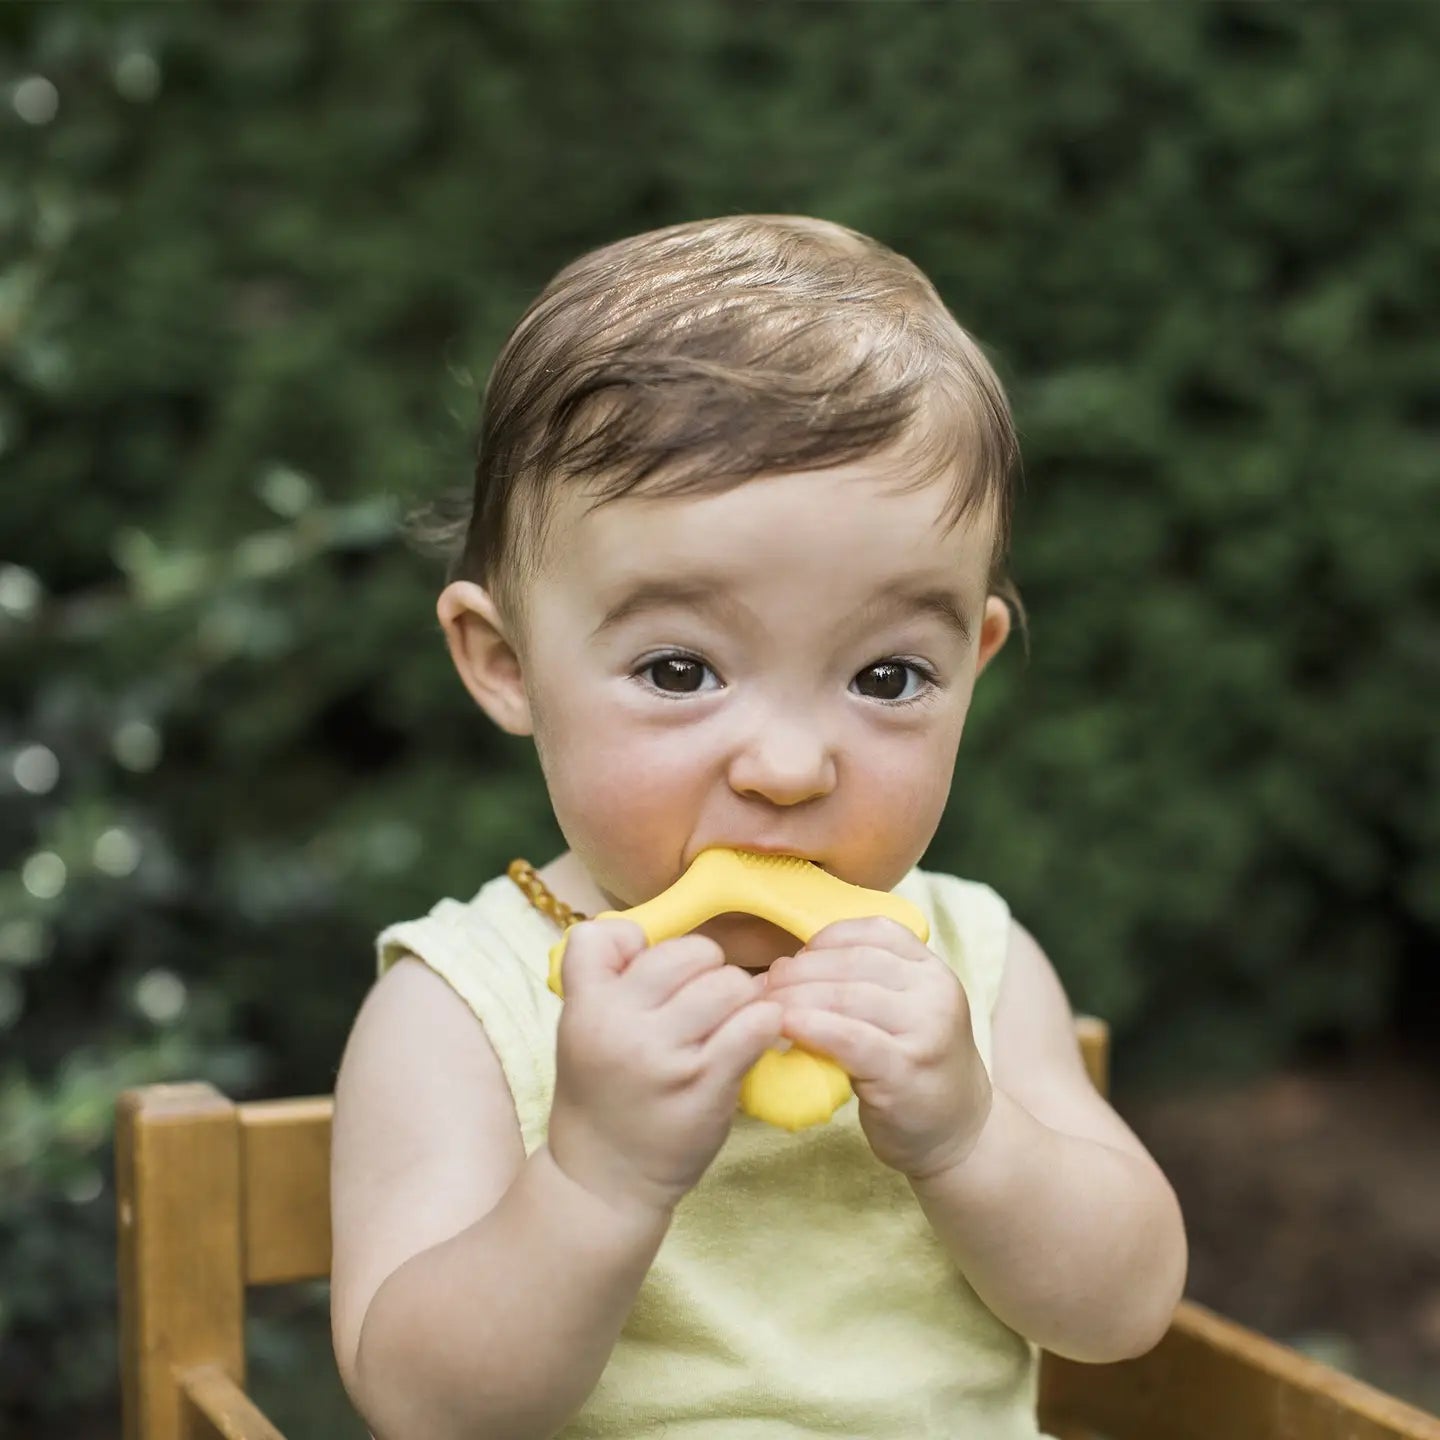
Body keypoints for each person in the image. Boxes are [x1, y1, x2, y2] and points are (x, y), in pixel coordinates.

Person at [328, 215, 1187, 1440]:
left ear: (974, 664)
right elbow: (424, 1404)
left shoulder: (971, 963)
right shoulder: (466, 1006)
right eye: (680, 669)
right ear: (506, 662)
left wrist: (969, 1136)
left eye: (888, 678)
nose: (789, 766)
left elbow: (1125, 1307)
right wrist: (596, 1177)